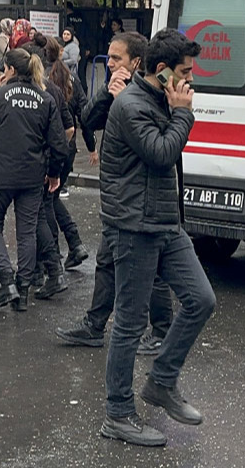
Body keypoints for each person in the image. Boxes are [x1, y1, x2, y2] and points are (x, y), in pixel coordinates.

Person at [100, 28, 213, 448]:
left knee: (201, 299)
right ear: (162, 71)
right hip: (134, 226)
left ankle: (161, 383)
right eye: (184, 72)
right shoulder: (131, 105)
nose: (190, 81)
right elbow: (162, 153)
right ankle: (117, 413)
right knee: (129, 324)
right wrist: (183, 113)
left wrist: (175, 107)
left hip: (165, 222)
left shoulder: (159, 97)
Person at [57, 30, 174, 356]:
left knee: (151, 268)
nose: (109, 63)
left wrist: (130, 97)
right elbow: (88, 121)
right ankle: (94, 326)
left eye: (116, 58)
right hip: (118, 195)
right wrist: (109, 95)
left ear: (136, 61)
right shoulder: (117, 90)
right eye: (108, 57)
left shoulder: (155, 87)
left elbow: (162, 138)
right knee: (106, 260)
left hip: (144, 197)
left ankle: (162, 331)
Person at [0, 48, 68, 311]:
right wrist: (54, 174)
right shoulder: (45, 99)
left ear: (11, 70)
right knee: (27, 232)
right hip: (32, 176)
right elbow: (59, 144)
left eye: (4, 69)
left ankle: (7, 282)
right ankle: (23, 290)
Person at [37, 37, 89, 266]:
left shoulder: (42, 81)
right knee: (52, 197)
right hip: (69, 148)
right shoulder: (71, 77)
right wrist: (91, 145)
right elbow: (83, 111)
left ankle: (53, 255)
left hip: (52, 148)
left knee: (46, 200)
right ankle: (74, 243)